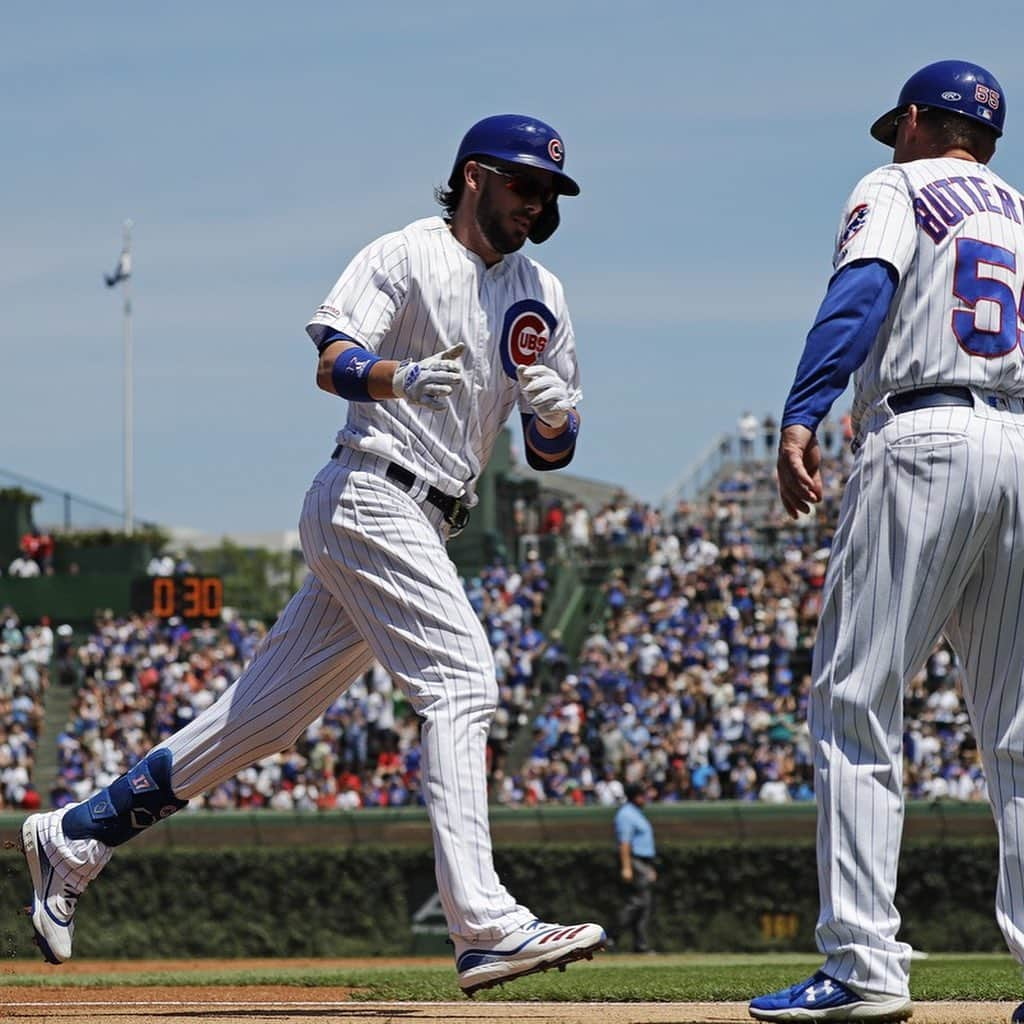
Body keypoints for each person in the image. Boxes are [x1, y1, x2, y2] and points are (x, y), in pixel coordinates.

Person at [19, 113, 604, 997]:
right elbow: (331, 359)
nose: (537, 203)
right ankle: (483, 926)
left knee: (265, 721)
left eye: (550, 192)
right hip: (371, 486)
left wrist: (556, 418)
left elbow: (549, 453)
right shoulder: (404, 254)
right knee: (462, 683)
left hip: (429, 512)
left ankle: (77, 834)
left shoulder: (544, 294)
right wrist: (396, 378)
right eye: (524, 184)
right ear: (475, 175)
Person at [750, 61, 1024, 1022]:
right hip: (1022, 447)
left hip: (925, 437)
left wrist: (802, 413)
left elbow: (863, 289)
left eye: (895, 127)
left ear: (915, 120)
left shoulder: (896, 184)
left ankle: (864, 966)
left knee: (856, 701)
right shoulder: (1023, 213)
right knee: (1019, 732)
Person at [609, 781, 657, 953]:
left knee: (644, 905)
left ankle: (640, 945)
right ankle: (610, 937)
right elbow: (625, 844)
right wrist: (627, 867)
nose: (647, 797)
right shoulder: (626, 814)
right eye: (644, 794)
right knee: (637, 902)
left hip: (643, 862)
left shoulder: (636, 813)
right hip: (635, 861)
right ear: (636, 796)